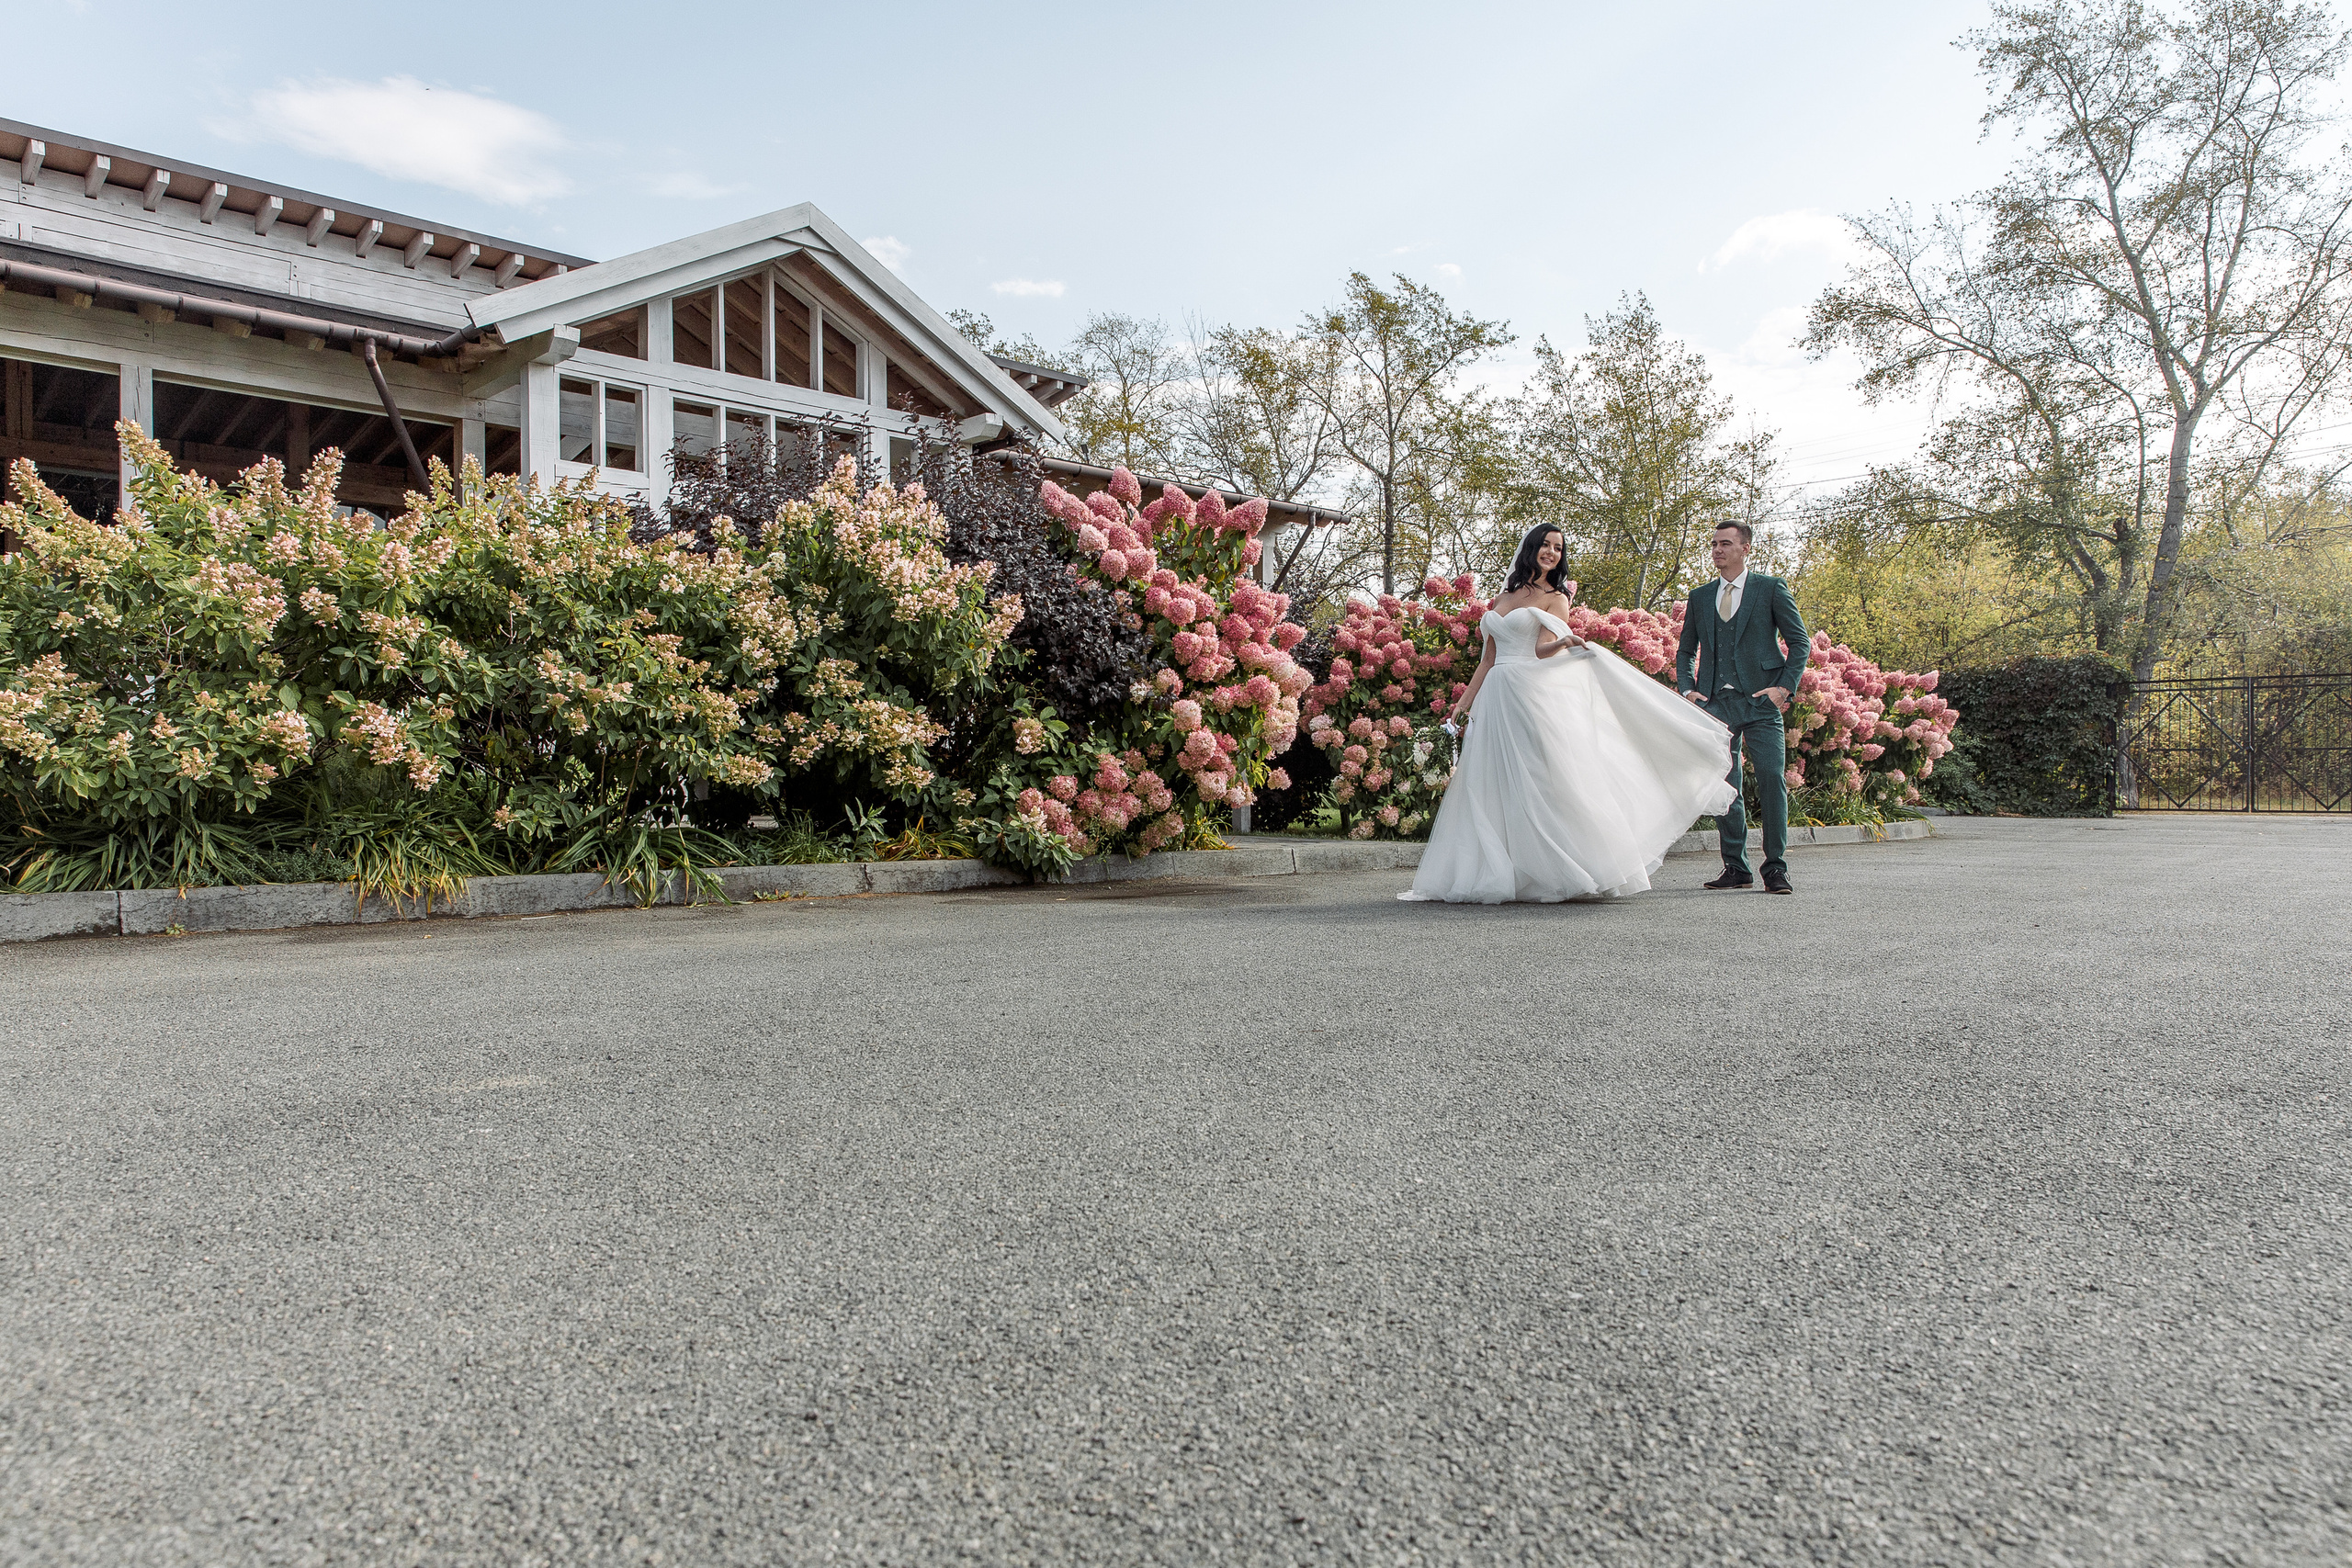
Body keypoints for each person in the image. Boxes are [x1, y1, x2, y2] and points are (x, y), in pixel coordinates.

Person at [1401, 525, 1739, 904]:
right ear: (1530, 548)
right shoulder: (1503, 596)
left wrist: (1563, 641)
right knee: (1490, 782)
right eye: (1545, 545)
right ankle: (1501, 870)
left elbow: (1542, 651)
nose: (1551, 552)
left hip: (1526, 695)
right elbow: (1489, 660)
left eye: (1558, 548)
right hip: (1495, 696)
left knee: (1539, 778)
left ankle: (1564, 867)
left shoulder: (1555, 598)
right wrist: (1461, 708)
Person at [1674, 521, 1809, 894]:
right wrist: (1688, 690)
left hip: (1761, 702)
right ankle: (1736, 867)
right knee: (1725, 785)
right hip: (1716, 702)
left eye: (1726, 544)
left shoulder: (1769, 588)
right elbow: (1686, 650)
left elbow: (1800, 642)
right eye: (1714, 544)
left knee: (1771, 780)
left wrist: (1784, 688)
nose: (1717, 550)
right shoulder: (1700, 596)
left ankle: (1776, 868)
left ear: (1745, 548)